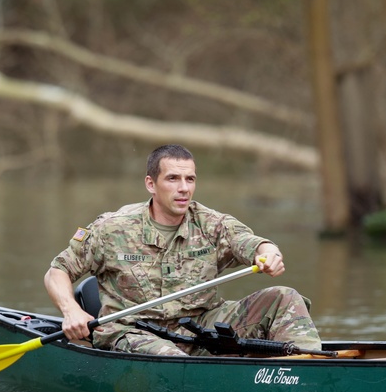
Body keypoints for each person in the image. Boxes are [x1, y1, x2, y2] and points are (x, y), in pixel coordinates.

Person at [44, 144, 322, 356]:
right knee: (171, 359)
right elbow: (58, 271)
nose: (184, 189)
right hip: (133, 330)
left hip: (202, 324)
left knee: (284, 297)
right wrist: (71, 311)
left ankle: (309, 370)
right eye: (173, 179)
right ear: (151, 184)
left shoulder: (212, 223)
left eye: (190, 179)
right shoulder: (111, 229)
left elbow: (252, 243)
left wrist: (269, 252)